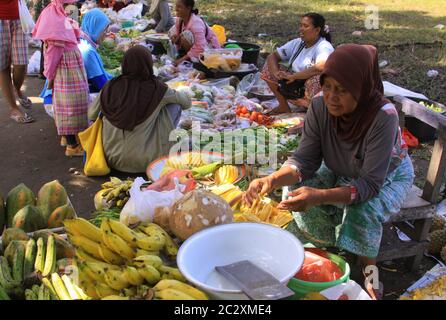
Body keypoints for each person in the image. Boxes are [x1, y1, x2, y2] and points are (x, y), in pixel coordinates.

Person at [244, 44, 415, 299]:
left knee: (364, 208)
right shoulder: (319, 106)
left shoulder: (383, 117)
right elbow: (305, 159)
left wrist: (320, 196)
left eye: (342, 90)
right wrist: (272, 179)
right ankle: (326, 249)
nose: (332, 97)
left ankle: (370, 271)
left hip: (385, 175)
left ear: (362, 89)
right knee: (297, 187)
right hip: (340, 165)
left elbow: (369, 185)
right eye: (327, 87)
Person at [88, 45, 192, 173]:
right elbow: (186, 103)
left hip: (111, 159)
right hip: (148, 162)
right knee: (174, 105)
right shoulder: (158, 88)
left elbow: (91, 115)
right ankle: (163, 146)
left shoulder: (110, 86)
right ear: (148, 64)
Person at [33, 0, 90, 157]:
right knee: (69, 104)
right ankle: (72, 146)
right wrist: (49, 75)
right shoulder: (54, 20)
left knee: (74, 101)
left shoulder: (66, 10)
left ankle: (68, 137)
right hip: (65, 67)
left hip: (71, 64)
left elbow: (74, 31)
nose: (72, 7)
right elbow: (52, 54)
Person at [262, 13, 334, 114]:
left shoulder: (324, 46)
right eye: (301, 25)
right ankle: (283, 106)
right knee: (268, 66)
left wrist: (294, 76)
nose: (301, 29)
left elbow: (321, 66)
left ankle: (314, 112)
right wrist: (276, 73)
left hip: (309, 90)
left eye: (306, 26)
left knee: (317, 79)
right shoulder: (297, 43)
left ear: (317, 30)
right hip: (295, 87)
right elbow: (272, 57)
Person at [0, 0, 34, 123]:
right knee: (3, 67)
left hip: (19, 16)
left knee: (21, 63)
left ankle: (17, 89)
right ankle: (13, 108)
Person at [169, 0, 220, 66]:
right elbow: (177, 34)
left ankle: (194, 61)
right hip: (197, 48)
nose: (176, 9)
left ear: (188, 8)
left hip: (210, 50)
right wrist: (176, 38)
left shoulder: (196, 23)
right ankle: (189, 57)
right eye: (176, 6)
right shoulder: (179, 19)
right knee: (172, 32)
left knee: (186, 36)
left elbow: (200, 47)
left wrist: (181, 60)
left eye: (179, 7)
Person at [79, 8, 112, 92]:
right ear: (95, 29)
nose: (106, 35)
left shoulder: (82, 40)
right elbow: (101, 84)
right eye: (104, 31)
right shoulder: (87, 51)